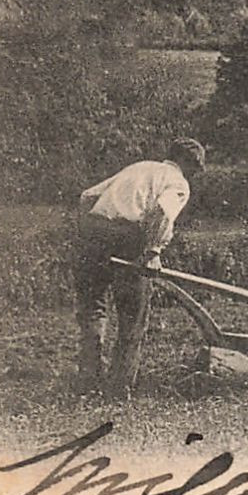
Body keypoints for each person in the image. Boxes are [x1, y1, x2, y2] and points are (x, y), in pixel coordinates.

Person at [75, 138, 206, 395]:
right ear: (190, 164)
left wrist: (89, 235)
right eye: (196, 168)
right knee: (133, 316)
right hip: (128, 240)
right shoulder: (178, 182)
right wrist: (152, 251)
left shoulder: (139, 167)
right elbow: (161, 212)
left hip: (94, 234)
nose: (195, 174)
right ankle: (118, 388)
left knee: (93, 309)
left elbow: (87, 196)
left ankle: (87, 382)